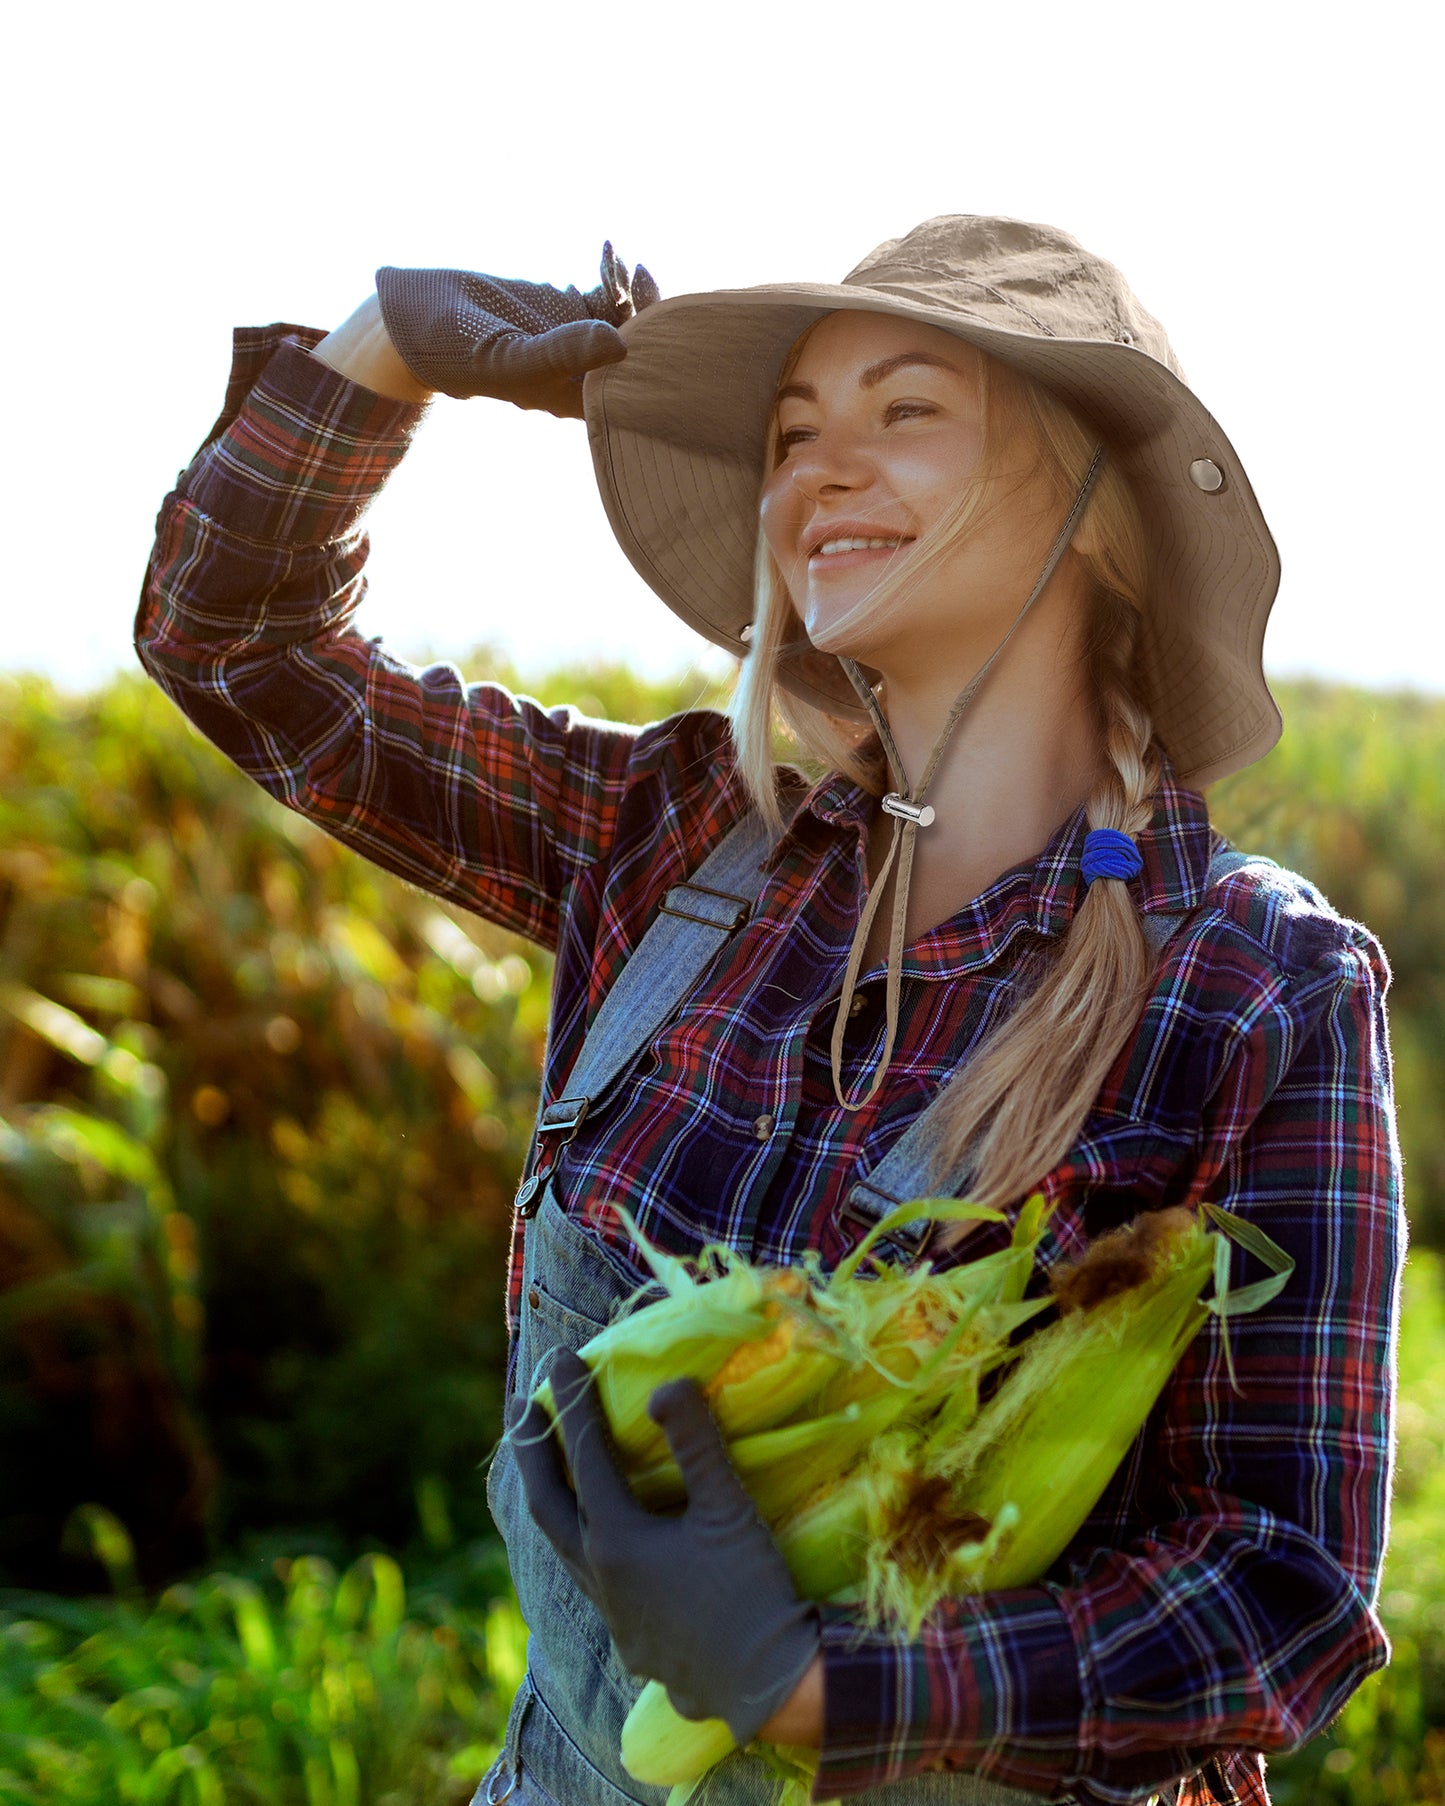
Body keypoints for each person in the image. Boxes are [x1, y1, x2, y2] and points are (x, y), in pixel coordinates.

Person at [135, 217, 1403, 1806]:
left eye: (903, 411)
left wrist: (826, 1689)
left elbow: (1279, 1589)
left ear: (1099, 505)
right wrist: (378, 350)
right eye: (793, 434)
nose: (817, 469)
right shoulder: (674, 834)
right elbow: (234, 645)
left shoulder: (1248, 982)